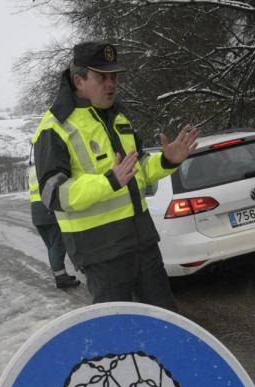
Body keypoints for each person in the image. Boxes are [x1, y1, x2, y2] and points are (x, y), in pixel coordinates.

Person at [33, 41, 198, 311]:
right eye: (102, 77)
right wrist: (107, 181)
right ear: (79, 81)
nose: (111, 84)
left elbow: (137, 170)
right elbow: (52, 193)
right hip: (101, 253)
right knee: (120, 334)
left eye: (114, 77)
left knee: (165, 321)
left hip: (142, 243)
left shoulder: (118, 117)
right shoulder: (55, 128)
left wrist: (167, 161)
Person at [28, 145, 80, 289]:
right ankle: (61, 278)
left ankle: (60, 274)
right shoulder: (45, 166)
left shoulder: (32, 168)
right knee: (57, 245)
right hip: (47, 208)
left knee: (51, 245)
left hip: (36, 210)